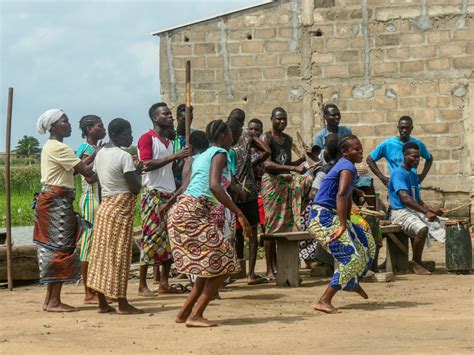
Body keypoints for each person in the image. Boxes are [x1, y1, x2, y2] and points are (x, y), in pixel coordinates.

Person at [168, 119, 251, 327]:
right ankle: (195, 315)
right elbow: (214, 185)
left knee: (208, 266)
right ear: (223, 136)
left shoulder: (201, 156)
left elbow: (191, 185)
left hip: (184, 210)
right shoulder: (219, 154)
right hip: (193, 211)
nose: (233, 139)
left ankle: (185, 312)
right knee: (226, 261)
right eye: (231, 135)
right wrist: (239, 212)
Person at [34, 109, 95, 312]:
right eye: (64, 121)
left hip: (54, 200)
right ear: (53, 126)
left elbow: (75, 168)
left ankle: (51, 299)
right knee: (59, 249)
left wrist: (95, 155)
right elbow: (86, 173)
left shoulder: (52, 147)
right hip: (57, 202)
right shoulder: (60, 148)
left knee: (56, 248)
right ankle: (53, 301)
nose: (68, 125)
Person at [308, 135, 375, 314]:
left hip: (331, 215)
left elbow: (345, 192)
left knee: (367, 245)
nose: (360, 152)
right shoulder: (347, 166)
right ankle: (324, 300)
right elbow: (341, 195)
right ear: (344, 152)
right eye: (355, 149)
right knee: (350, 258)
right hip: (322, 218)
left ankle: (351, 282)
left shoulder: (347, 166)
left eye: (360, 148)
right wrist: (343, 225)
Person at [87, 118, 144, 314]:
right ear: (117, 134)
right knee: (120, 256)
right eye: (128, 133)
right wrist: (138, 172)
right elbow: (135, 188)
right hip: (120, 208)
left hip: (105, 207)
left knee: (101, 256)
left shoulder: (101, 153)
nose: (131, 136)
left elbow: (91, 177)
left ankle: (103, 302)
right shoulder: (124, 156)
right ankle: (122, 303)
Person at [137, 102, 190, 296]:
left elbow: (168, 169)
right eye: (166, 114)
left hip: (169, 194)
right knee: (150, 238)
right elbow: (147, 164)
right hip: (154, 194)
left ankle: (164, 283)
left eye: (170, 114)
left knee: (169, 240)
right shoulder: (147, 139)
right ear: (155, 118)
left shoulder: (168, 141)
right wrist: (175, 155)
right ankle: (142, 284)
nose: (171, 117)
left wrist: (181, 160)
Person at [261, 107, 310, 279]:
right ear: (272, 119)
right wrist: (293, 168)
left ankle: (285, 265)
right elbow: (267, 165)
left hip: (285, 182)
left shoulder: (287, 140)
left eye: (284, 119)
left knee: (287, 225)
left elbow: (287, 162)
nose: (282, 122)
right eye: (279, 119)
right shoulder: (266, 138)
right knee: (272, 226)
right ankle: (269, 269)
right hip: (272, 184)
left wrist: (302, 160)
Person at [388, 142, 444, 275]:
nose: (417, 160)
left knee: (440, 223)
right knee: (422, 229)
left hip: (410, 210)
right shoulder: (398, 173)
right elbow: (405, 198)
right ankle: (416, 262)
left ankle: (417, 261)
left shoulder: (413, 176)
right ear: (404, 156)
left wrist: (432, 210)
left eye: (419, 157)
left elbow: (416, 199)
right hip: (399, 212)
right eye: (414, 157)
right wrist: (426, 212)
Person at [230, 113, 271, 285]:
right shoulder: (248, 135)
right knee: (252, 233)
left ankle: (234, 272)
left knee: (234, 232)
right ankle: (251, 274)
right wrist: (251, 164)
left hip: (231, 191)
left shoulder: (225, 137)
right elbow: (267, 151)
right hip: (248, 189)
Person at [76, 115, 106, 304]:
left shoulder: (97, 149)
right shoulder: (85, 149)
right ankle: (88, 292)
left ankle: (97, 289)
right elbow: (88, 177)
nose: (103, 129)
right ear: (89, 130)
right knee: (88, 245)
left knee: (97, 245)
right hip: (90, 199)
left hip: (99, 199)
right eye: (99, 126)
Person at [367, 116, 433, 187]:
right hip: (395, 185)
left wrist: (422, 176)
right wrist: (383, 178)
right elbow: (369, 159)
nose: (404, 130)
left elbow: (429, 158)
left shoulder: (418, 144)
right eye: (402, 128)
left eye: (407, 128)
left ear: (412, 128)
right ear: (398, 128)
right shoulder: (388, 144)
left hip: (412, 185)